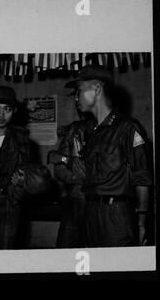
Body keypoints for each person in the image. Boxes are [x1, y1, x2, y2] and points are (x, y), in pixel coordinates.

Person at [65, 64, 152, 247]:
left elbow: (142, 178)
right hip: (90, 214)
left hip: (117, 216)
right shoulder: (92, 132)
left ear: (96, 89)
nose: (76, 97)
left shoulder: (127, 128)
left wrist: (141, 222)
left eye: (79, 90)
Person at [0, 86, 31, 249]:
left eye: (7, 109)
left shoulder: (22, 137)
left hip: (11, 203)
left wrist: (25, 178)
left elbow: (29, 169)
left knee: (6, 250)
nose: (1, 115)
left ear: (14, 111)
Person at [49, 97, 95, 248]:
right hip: (73, 203)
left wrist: (67, 161)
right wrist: (78, 169)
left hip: (99, 205)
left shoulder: (110, 129)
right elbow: (59, 170)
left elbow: (107, 172)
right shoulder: (73, 130)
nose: (77, 100)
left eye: (79, 94)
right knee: (65, 252)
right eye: (75, 96)